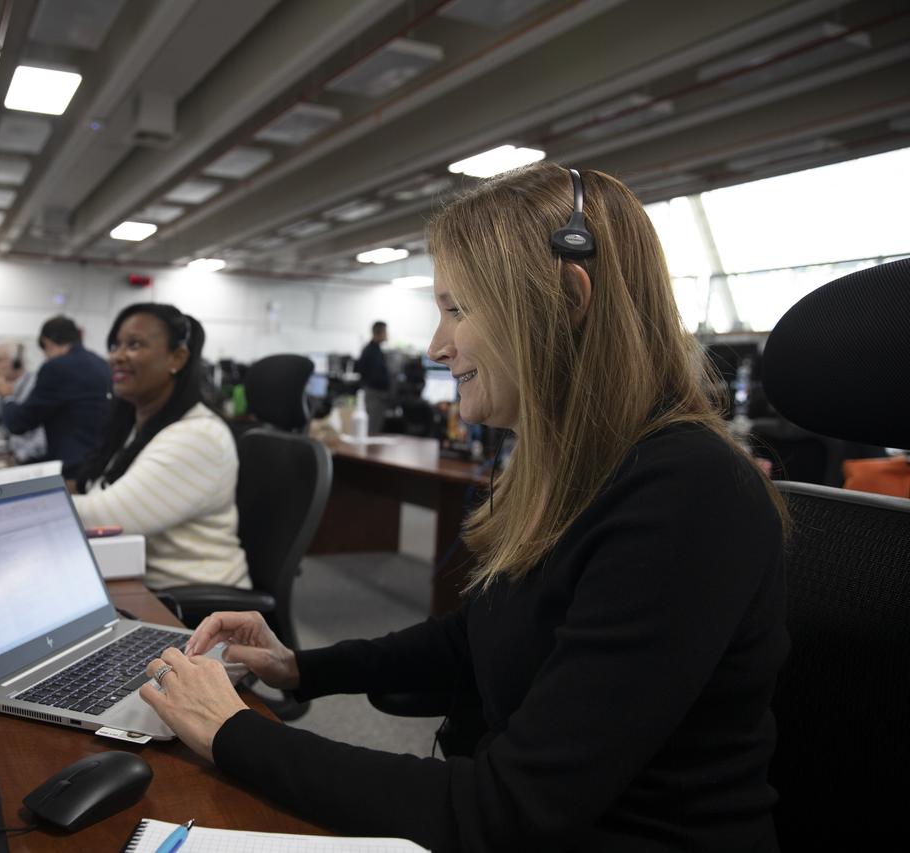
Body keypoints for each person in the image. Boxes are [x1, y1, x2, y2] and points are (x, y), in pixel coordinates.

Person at [136, 163, 790, 851]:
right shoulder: (576, 467)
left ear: (567, 299)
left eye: (458, 308)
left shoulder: (686, 494)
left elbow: (508, 809)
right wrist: (302, 666)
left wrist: (229, 732)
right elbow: (478, 636)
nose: (436, 346)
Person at [69, 304, 249, 590]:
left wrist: (12, 511)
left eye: (134, 344)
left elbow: (105, 518)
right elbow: (96, 487)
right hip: (138, 582)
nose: (117, 356)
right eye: (115, 345)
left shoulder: (198, 436)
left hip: (196, 607)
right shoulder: (138, 424)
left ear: (177, 358)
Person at [0, 315, 110, 471]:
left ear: (47, 343)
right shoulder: (102, 364)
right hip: (98, 462)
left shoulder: (56, 368)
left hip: (70, 467)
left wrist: (7, 396)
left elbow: (19, 423)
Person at [0, 341, 47, 462]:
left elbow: (43, 437)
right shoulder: (1, 386)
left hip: (31, 461)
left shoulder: (36, 386)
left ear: (16, 363)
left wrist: (18, 457)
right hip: (9, 455)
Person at [356, 320, 390, 432]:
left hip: (376, 394)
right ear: (379, 332)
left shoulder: (376, 350)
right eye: (386, 332)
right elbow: (371, 374)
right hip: (374, 394)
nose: (387, 335)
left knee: (374, 427)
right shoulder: (371, 351)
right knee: (371, 428)